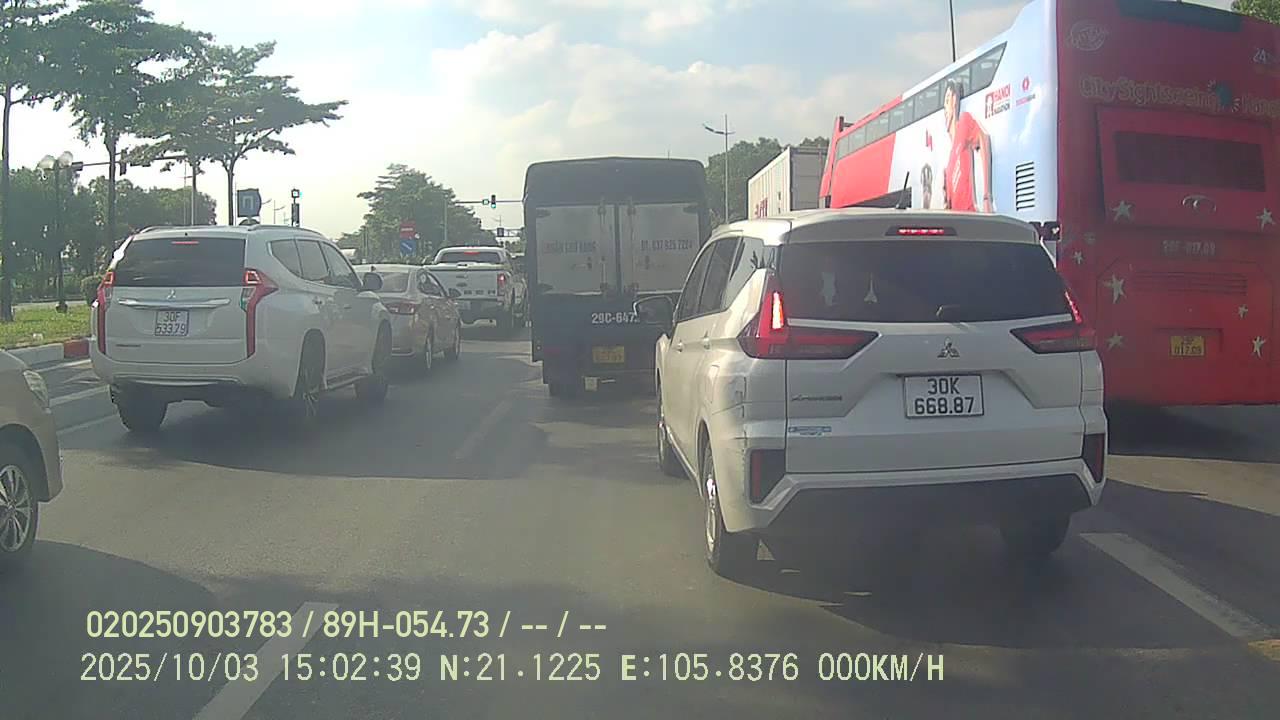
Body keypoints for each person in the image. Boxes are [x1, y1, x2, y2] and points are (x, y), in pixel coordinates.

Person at [942, 79, 994, 213]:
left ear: (954, 100)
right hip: (957, 220)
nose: (944, 110)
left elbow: (983, 138)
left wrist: (987, 196)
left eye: (947, 100)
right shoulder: (949, 164)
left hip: (970, 215)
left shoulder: (964, 123)